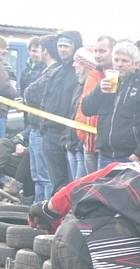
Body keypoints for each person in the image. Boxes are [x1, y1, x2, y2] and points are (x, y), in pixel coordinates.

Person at [82, 42, 140, 167]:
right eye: (116, 60)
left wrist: (139, 153)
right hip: (105, 155)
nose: (119, 64)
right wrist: (98, 90)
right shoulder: (107, 83)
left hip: (130, 157)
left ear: (135, 64)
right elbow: (86, 109)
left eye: (125, 61)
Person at [41, 30, 82, 195]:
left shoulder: (79, 72)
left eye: (66, 45)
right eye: (60, 46)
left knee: (69, 185)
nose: (62, 49)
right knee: (56, 183)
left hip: (68, 136)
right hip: (49, 134)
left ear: (75, 47)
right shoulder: (56, 71)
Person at [23, 35, 59, 203]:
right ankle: (36, 214)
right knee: (38, 177)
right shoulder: (43, 70)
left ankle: (43, 215)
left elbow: (30, 93)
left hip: (43, 129)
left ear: (46, 50)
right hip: (35, 127)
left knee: (45, 178)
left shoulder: (54, 71)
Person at [66, 47, 96, 180]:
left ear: (86, 65)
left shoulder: (94, 87)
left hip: (83, 147)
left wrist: (80, 143)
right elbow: (73, 115)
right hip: (72, 144)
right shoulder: (79, 87)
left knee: (80, 191)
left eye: (76, 61)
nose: (73, 65)